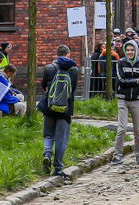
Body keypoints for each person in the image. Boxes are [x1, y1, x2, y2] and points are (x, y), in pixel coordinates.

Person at [39, 45, 81, 179]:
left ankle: (47, 154)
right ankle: (57, 168)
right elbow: (73, 89)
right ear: (68, 54)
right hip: (65, 108)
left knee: (48, 134)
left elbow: (44, 85)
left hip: (50, 106)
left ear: (57, 54)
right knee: (61, 138)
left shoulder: (49, 68)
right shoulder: (74, 70)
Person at [111, 40, 139, 165]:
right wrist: (136, 81)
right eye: (128, 50)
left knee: (138, 130)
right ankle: (117, 155)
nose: (130, 52)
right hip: (123, 98)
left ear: (136, 50)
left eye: (132, 50)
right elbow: (121, 80)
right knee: (122, 129)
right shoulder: (121, 62)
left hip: (137, 99)